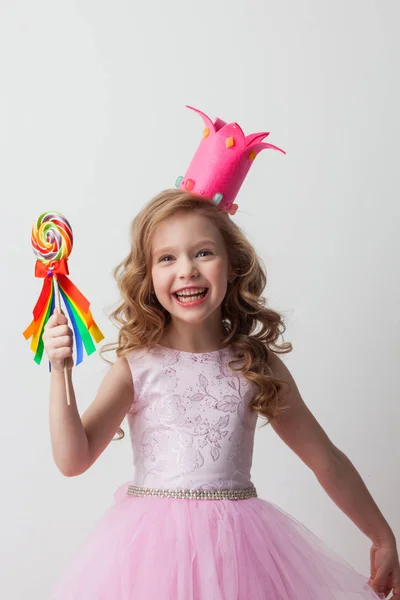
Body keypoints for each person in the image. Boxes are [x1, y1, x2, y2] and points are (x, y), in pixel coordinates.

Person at [47, 188, 399, 599]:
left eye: (203, 253)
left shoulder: (253, 364)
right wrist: (60, 371)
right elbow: (73, 460)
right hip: (151, 563)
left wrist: (381, 536)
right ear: (148, 275)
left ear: (232, 265)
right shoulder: (137, 366)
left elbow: (325, 459)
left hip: (240, 560)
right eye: (167, 258)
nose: (187, 271)